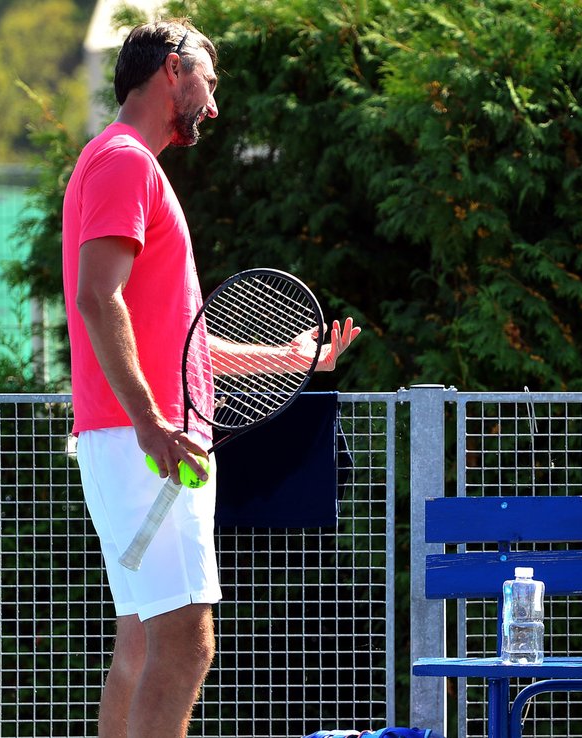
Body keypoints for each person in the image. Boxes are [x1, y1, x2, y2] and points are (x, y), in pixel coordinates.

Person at [60, 19, 360, 738]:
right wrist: (152, 424)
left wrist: (293, 360)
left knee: (141, 641)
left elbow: (179, 346)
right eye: (209, 82)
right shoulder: (125, 161)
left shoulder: (122, 161)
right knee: (187, 645)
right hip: (148, 445)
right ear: (172, 69)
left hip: (134, 441)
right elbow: (96, 298)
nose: (214, 105)